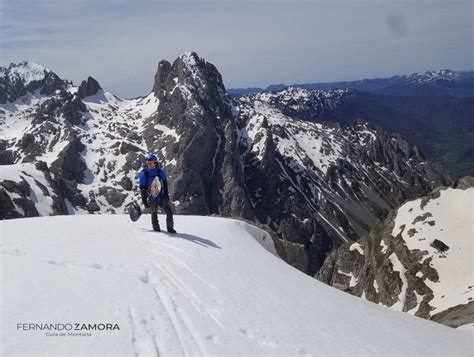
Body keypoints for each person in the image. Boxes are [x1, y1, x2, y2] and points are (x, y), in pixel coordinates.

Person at [138, 153, 176, 233]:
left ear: (155, 163)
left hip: (160, 194)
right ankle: (156, 230)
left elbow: (165, 183)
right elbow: (142, 188)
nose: (149, 165)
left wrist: (166, 194)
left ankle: (170, 228)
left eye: (150, 163)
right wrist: (144, 200)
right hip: (151, 196)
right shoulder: (144, 174)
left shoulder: (160, 172)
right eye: (147, 163)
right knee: (154, 212)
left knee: (169, 211)